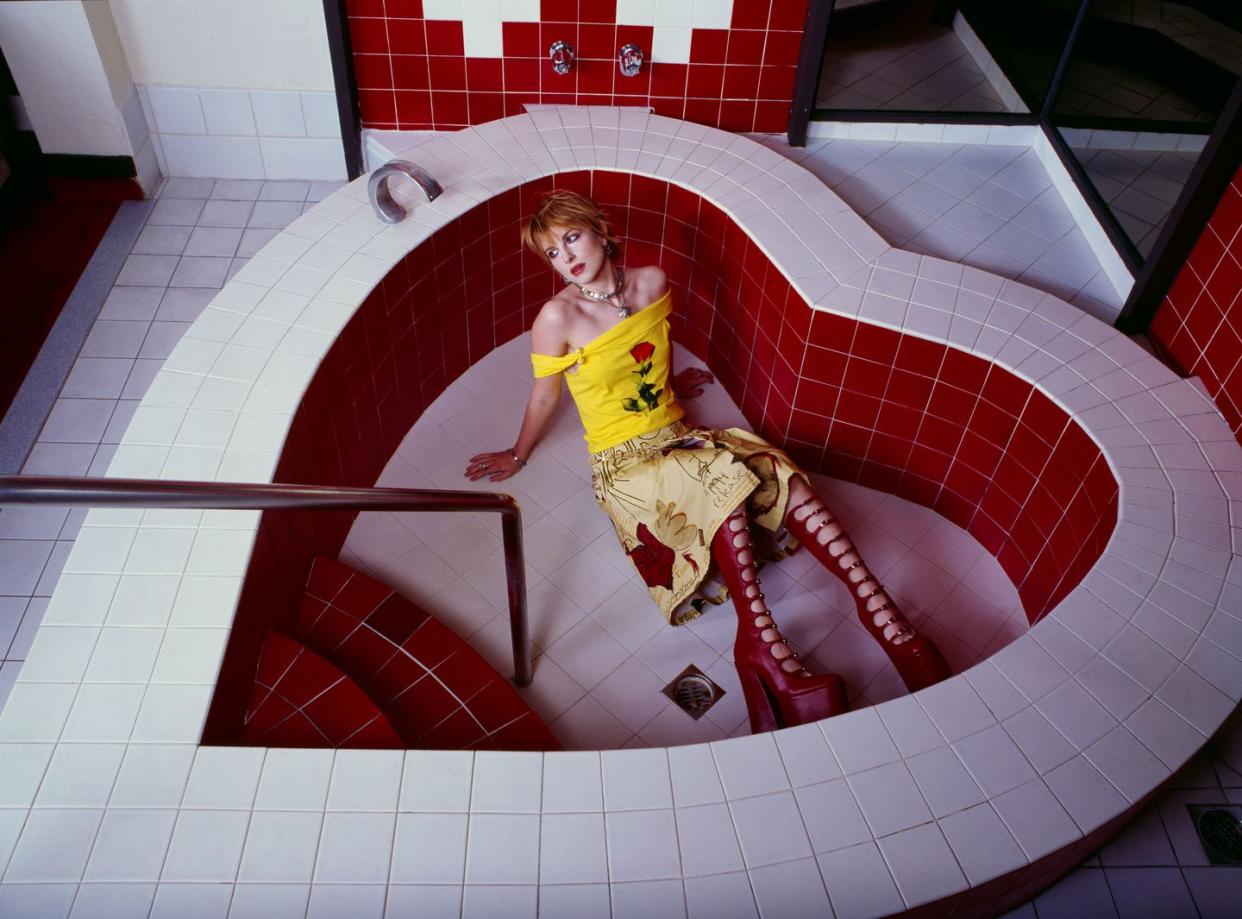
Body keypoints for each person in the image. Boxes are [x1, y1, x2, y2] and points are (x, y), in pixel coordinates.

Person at [465, 190, 950, 732]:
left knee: (769, 465)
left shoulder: (651, 281)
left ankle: (883, 616)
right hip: (624, 463)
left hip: (679, 433)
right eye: (552, 252)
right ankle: (763, 644)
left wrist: (670, 385)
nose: (566, 256)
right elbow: (545, 396)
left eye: (571, 237)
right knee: (720, 475)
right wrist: (516, 453)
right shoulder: (558, 317)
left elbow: (645, 348)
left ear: (600, 230)